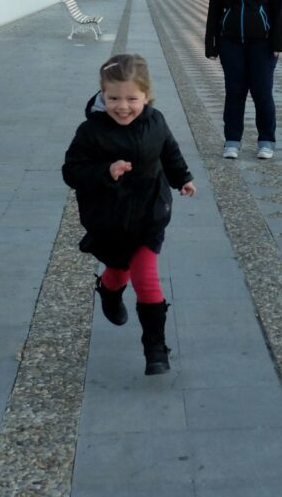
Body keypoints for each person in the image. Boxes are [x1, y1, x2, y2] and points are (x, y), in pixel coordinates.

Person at [62, 54, 196, 375]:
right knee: (118, 269)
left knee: (145, 277)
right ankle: (109, 291)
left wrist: (182, 179)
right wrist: (106, 171)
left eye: (132, 99)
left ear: (147, 96)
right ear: (102, 94)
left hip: (149, 215)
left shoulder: (156, 121)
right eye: (113, 98)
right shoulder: (90, 132)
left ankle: (155, 349)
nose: (123, 106)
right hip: (109, 220)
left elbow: (169, 151)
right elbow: (72, 172)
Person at [204, 0, 282, 160]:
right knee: (235, 92)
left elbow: (280, 9)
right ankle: (232, 141)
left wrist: (278, 43)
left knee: (262, 92)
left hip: (262, 44)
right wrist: (211, 44)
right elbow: (214, 12)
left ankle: (266, 141)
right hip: (231, 43)